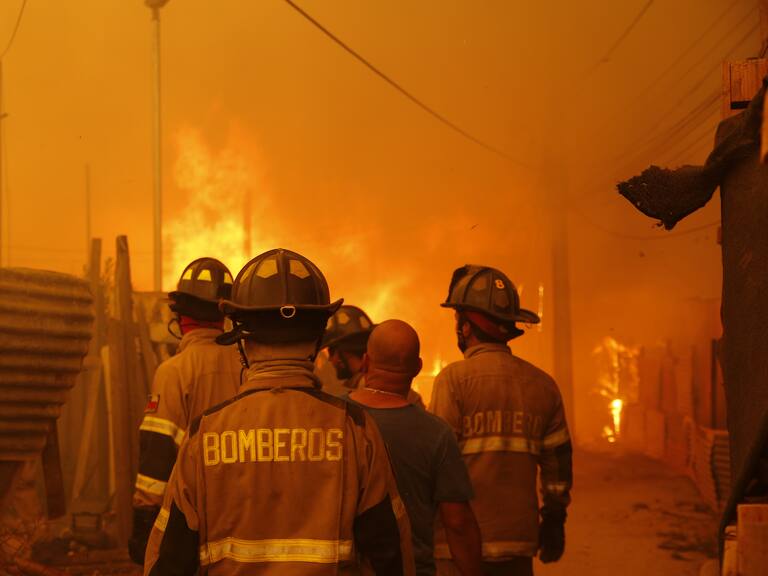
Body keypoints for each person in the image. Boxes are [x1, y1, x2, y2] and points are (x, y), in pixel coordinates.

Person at [143, 248, 415, 575]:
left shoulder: (205, 434)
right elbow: (389, 555)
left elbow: (170, 560)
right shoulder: (355, 429)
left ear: (242, 341)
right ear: (317, 340)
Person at [430, 265, 573, 576]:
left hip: (458, 545)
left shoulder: (453, 381)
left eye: (458, 319)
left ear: (466, 327)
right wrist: (553, 519)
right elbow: (558, 464)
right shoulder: (543, 385)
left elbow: (437, 464)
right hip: (517, 542)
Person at [129, 257, 241, 564]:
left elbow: (159, 450)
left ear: (180, 317)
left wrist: (144, 518)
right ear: (225, 314)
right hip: (246, 510)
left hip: (192, 514)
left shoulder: (174, 371)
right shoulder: (248, 365)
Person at [348, 320, 483, 576]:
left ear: (366, 361)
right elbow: (458, 524)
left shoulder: (334, 419)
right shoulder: (436, 434)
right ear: (418, 368)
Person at [320, 305, 424, 407]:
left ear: (344, 352)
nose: (330, 359)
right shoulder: (408, 396)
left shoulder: (356, 400)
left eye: (331, 351)